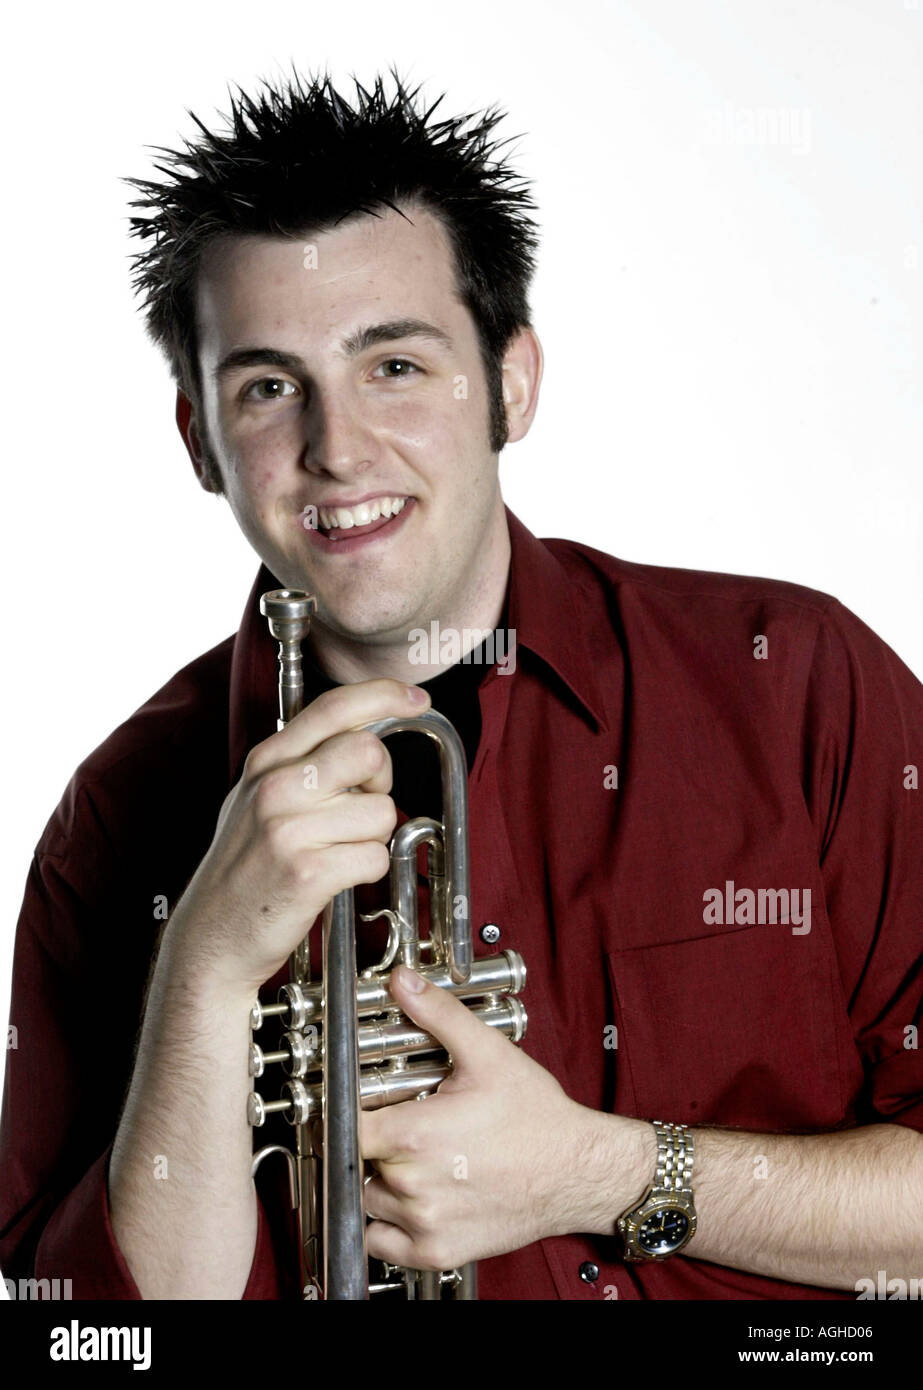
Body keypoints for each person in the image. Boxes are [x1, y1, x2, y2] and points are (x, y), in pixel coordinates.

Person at [1, 68, 920, 1303]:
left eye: (394, 366)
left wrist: (599, 1172)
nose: (335, 448)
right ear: (198, 444)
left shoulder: (795, 684)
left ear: (511, 382)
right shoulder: (114, 820)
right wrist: (208, 972)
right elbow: (93, 1338)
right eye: (267, 387)